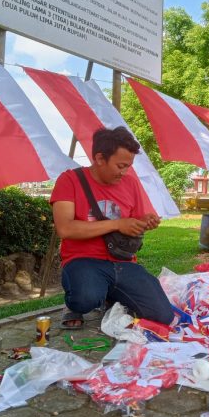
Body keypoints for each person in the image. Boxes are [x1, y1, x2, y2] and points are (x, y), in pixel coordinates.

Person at [50, 126, 174, 327]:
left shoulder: (130, 183)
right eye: (120, 166)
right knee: (85, 299)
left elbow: (134, 223)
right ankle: (74, 305)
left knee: (162, 316)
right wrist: (117, 223)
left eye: (128, 166)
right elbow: (65, 228)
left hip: (123, 262)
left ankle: (112, 297)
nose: (124, 172)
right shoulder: (70, 180)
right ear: (100, 159)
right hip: (84, 260)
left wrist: (145, 222)